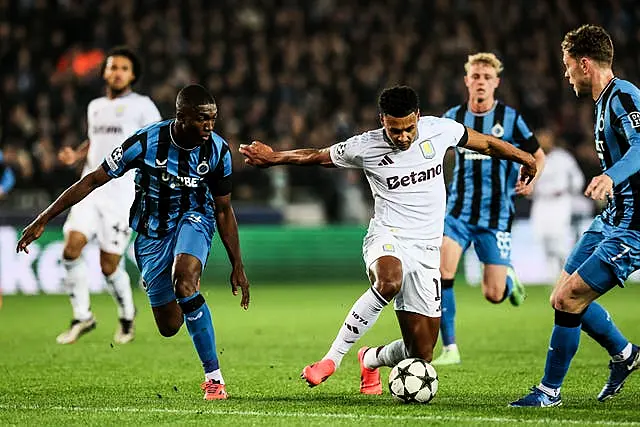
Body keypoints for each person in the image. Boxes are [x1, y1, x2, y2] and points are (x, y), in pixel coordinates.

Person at [240, 85, 536, 394]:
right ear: (383, 120)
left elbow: (486, 143)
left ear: (418, 117)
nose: (404, 136)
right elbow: (317, 156)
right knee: (389, 281)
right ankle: (331, 359)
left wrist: (524, 157)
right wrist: (274, 158)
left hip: (426, 250)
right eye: (396, 130)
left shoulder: (439, 130)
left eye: (409, 128)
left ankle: (370, 358)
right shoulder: (364, 146)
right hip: (387, 236)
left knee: (421, 354)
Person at [17, 84, 250, 401]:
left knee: (185, 283)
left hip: (196, 219)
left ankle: (214, 378)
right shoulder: (145, 142)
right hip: (151, 234)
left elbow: (223, 211)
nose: (210, 126)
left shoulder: (218, 152)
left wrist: (237, 264)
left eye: (213, 119)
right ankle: (188, 302)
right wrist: (44, 217)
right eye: (202, 120)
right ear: (181, 117)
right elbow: (92, 180)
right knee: (169, 326)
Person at [511, 24, 640, 407]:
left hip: (633, 227)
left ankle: (549, 392)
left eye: (568, 67)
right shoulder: (602, 103)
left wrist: (609, 176)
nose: (566, 76)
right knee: (560, 296)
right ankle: (626, 354)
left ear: (585, 64)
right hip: (610, 219)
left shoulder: (623, 95)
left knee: (569, 299)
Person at [433, 53, 546, 366]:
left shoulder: (510, 119)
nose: (481, 82)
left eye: (487, 77)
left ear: (496, 82)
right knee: (442, 272)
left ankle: (508, 279)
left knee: (493, 294)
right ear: (467, 80)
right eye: (476, 76)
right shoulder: (453, 116)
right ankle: (450, 348)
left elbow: (537, 155)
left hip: (496, 217)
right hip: (457, 212)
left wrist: (532, 180)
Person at [55, 46, 161, 345]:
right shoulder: (95, 106)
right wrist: (76, 155)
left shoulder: (143, 106)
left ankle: (127, 314)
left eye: (124, 68)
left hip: (122, 194)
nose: (117, 73)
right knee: (71, 248)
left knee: (108, 265)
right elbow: (96, 142)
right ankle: (82, 316)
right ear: (104, 72)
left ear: (133, 75)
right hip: (90, 189)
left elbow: (156, 140)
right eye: (113, 67)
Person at [530, 130, 585, 282]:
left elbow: (577, 178)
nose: (543, 142)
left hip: (559, 201)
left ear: (552, 139)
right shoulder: (533, 158)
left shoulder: (563, 157)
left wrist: (571, 192)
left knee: (559, 238)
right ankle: (552, 277)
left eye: (545, 138)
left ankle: (567, 273)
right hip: (541, 202)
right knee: (543, 238)